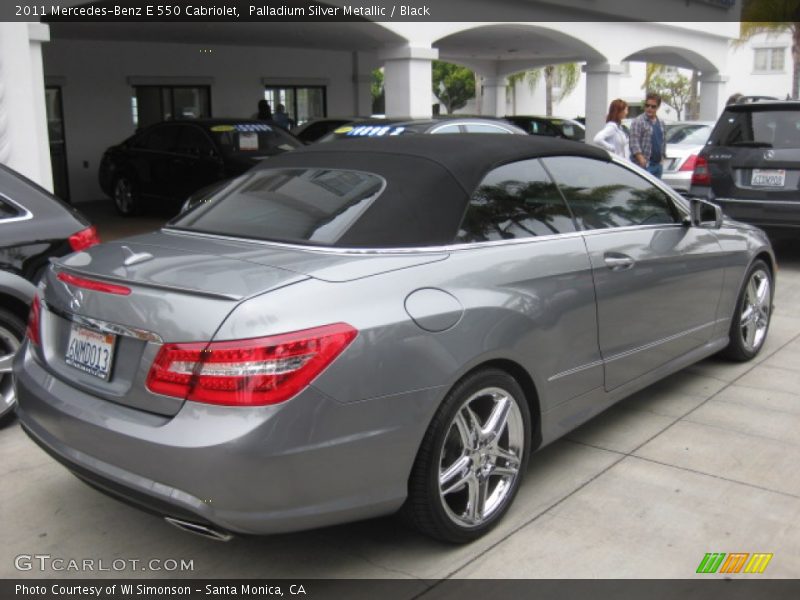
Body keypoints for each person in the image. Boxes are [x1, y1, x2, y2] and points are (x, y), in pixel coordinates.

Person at [630, 92, 667, 178]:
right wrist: (641, 159)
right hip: (645, 165)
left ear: (658, 107)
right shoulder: (638, 121)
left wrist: (662, 158)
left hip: (658, 165)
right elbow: (634, 142)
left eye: (653, 106)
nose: (649, 108)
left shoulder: (661, 122)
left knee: (656, 191)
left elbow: (663, 141)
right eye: (647, 105)